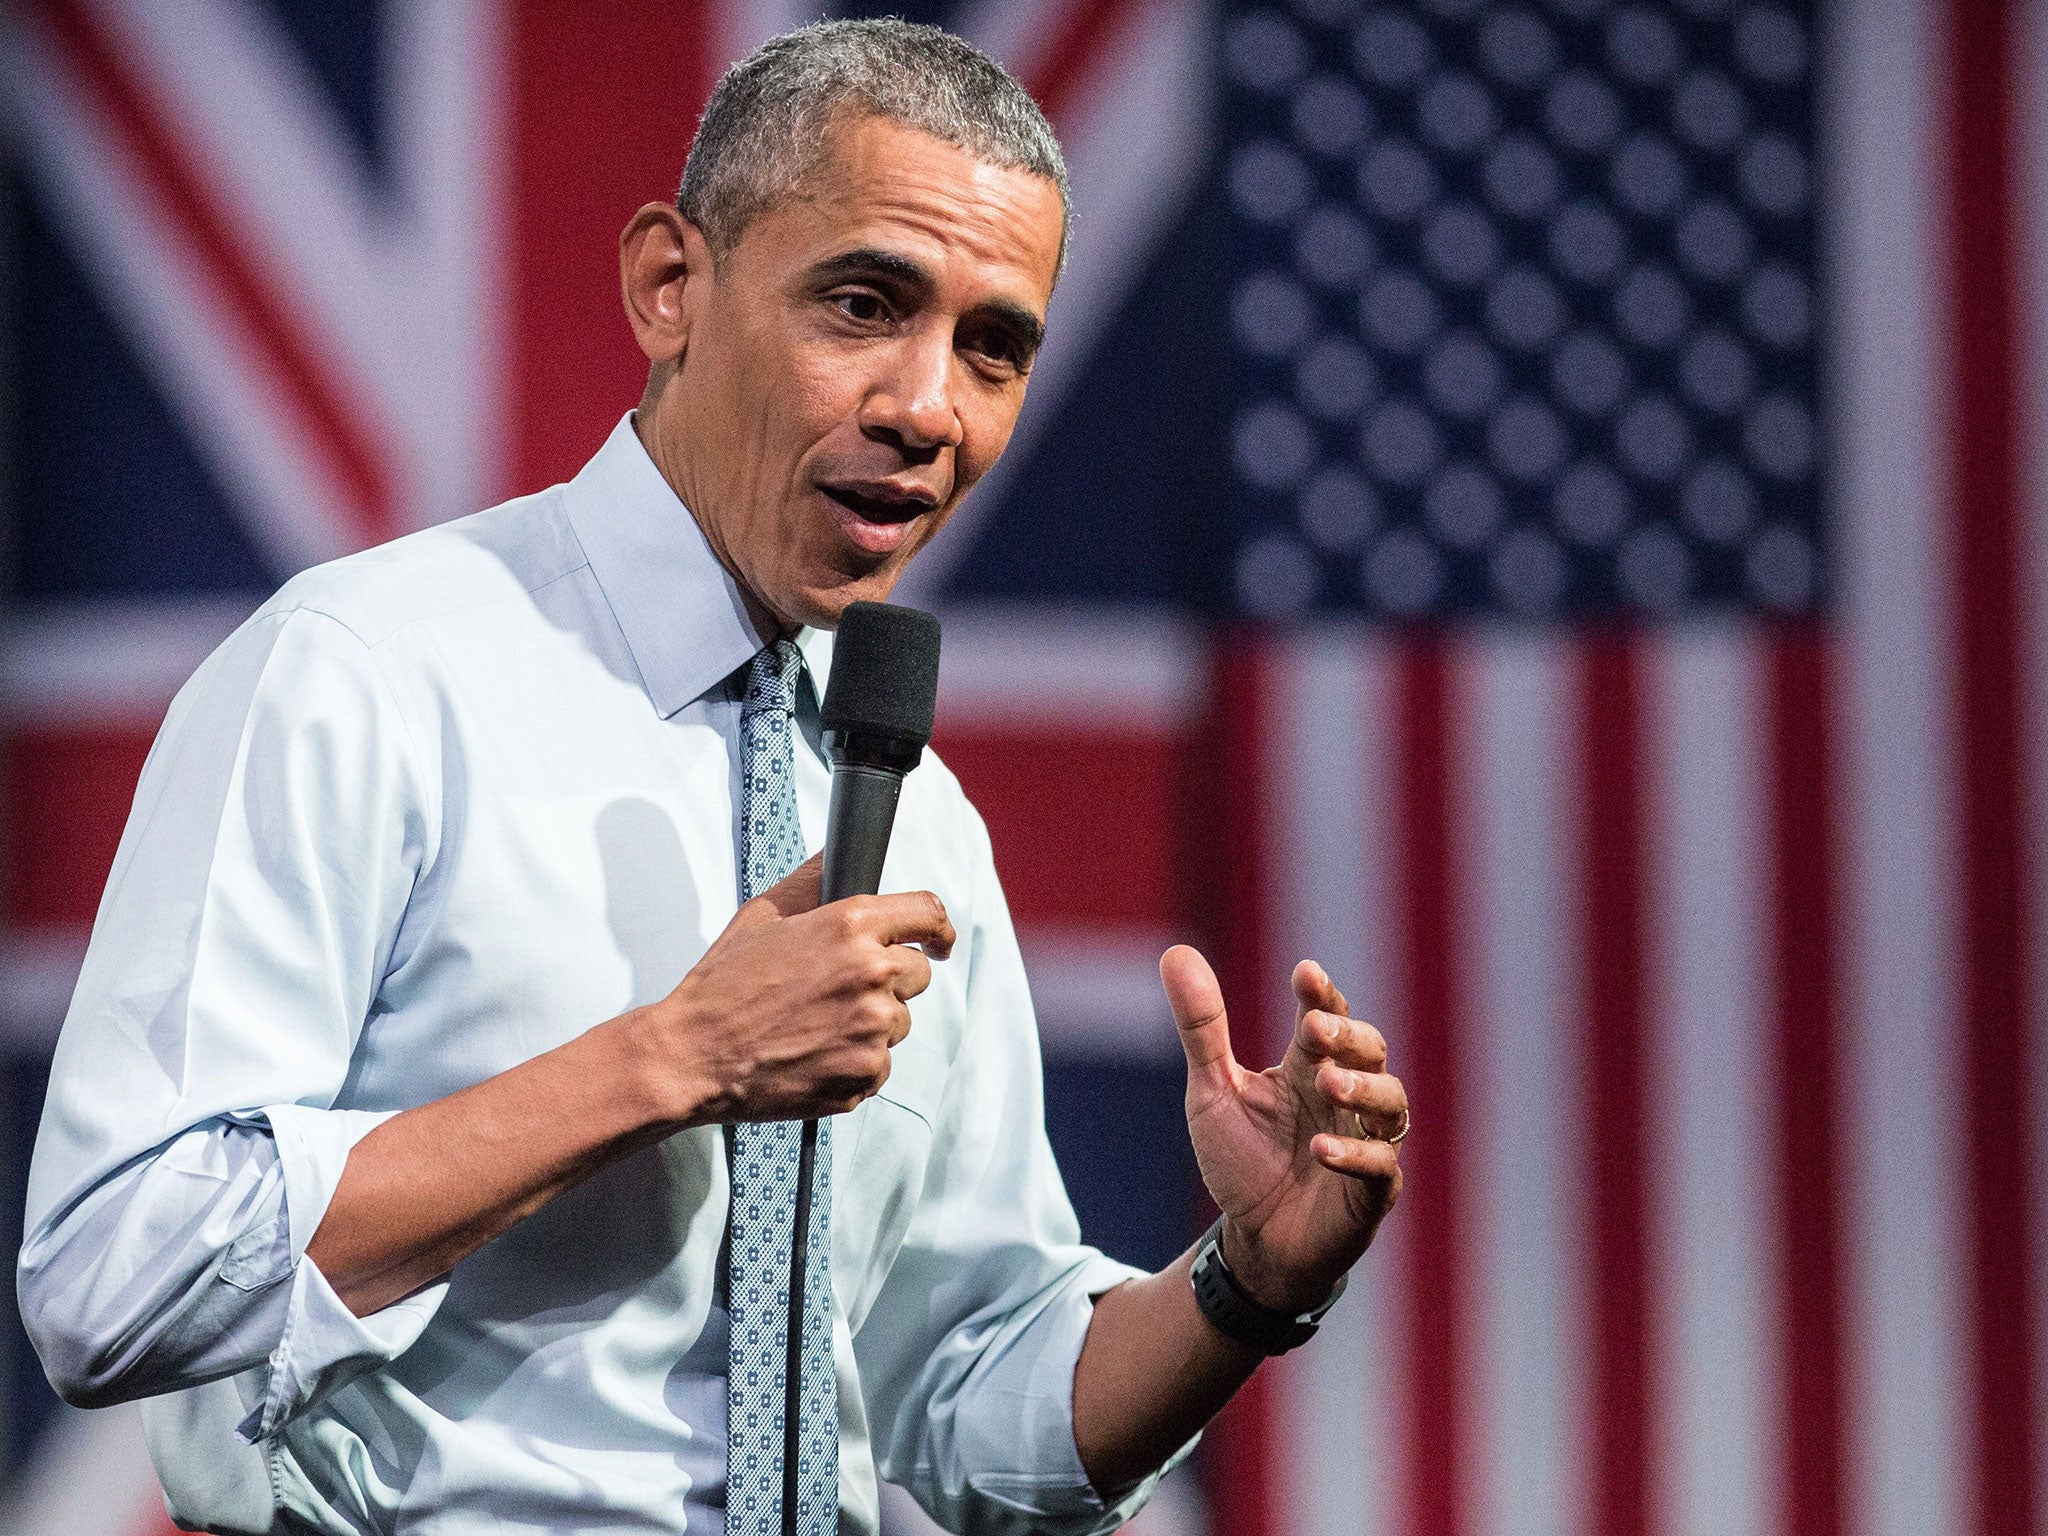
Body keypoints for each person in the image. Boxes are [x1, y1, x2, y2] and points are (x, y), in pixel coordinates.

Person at [18, 19, 1407, 1536]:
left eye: (993, 345)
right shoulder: (369, 673)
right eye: (865, 302)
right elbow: (117, 1271)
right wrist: (668, 1061)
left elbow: (971, 1406)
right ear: (669, 285)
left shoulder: (916, 812)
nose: (928, 406)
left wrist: (1247, 1283)